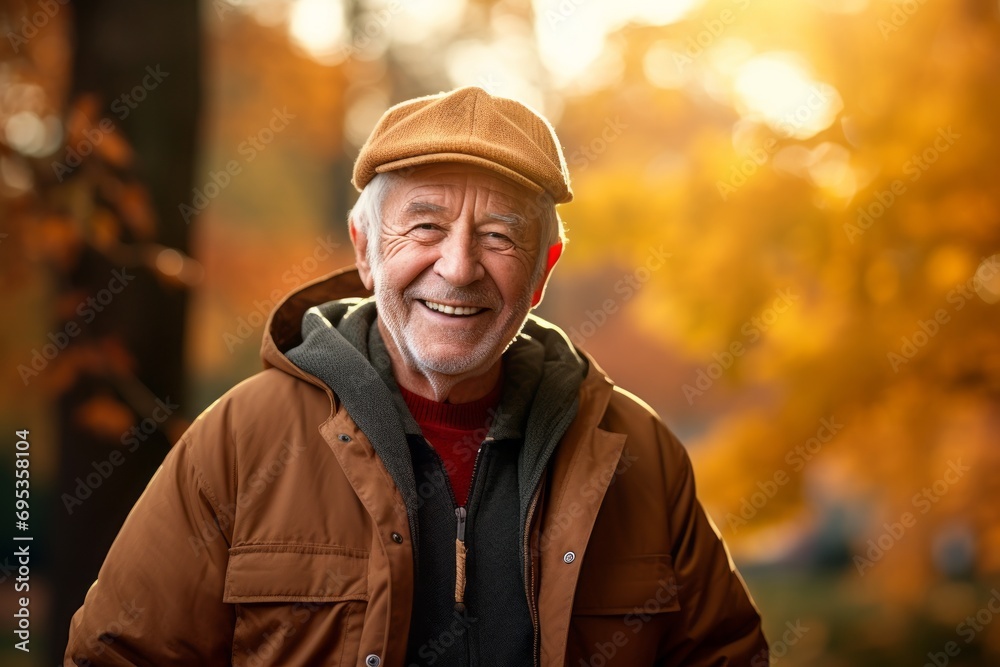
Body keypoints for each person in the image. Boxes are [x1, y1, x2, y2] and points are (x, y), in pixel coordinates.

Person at [65, 86, 767, 666]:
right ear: (366, 250)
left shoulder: (640, 456)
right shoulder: (239, 441)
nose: (458, 268)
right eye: (425, 227)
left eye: (498, 235)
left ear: (543, 271)